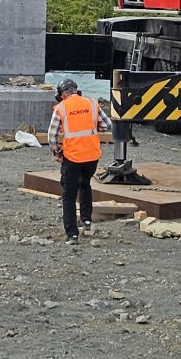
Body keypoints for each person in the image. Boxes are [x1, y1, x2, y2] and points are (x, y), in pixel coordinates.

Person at [49, 77, 110, 244]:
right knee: (85, 185)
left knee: (68, 195)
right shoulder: (92, 103)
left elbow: (52, 136)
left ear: (62, 95)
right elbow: (106, 125)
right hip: (92, 156)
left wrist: (57, 152)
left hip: (72, 157)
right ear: (77, 91)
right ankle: (86, 220)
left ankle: (72, 235)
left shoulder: (61, 108)